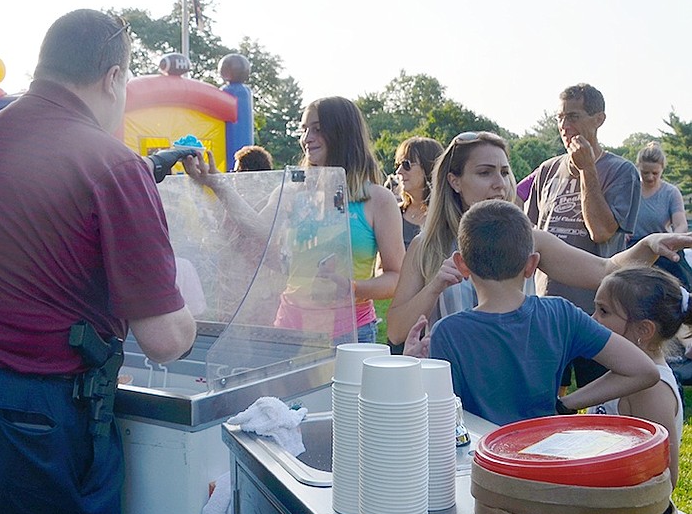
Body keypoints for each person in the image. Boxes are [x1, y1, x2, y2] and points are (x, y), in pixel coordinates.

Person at [0, 9, 196, 514]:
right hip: (30, 422)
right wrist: (192, 305)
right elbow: (165, 340)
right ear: (113, 78)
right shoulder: (114, 164)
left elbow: (43, 201)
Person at [387, 131, 692, 350]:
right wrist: (435, 286)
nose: (500, 183)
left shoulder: (531, 241)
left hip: (519, 377)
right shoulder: (426, 246)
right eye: (485, 172)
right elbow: (397, 331)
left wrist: (648, 245)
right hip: (450, 392)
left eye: (505, 172)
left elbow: (605, 269)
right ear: (454, 181)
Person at [186, 96, 404, 344]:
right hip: (290, 331)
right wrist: (218, 185)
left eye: (318, 129)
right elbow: (259, 229)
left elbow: (395, 278)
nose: (306, 138)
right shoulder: (292, 190)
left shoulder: (378, 200)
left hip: (350, 334)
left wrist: (351, 288)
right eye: (304, 130)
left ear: (343, 133)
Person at [429, 200, 658, 426]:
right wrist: (565, 404)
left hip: (483, 459)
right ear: (532, 265)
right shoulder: (561, 315)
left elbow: (440, 418)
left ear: (461, 263)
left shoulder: (447, 333)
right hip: (544, 455)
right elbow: (644, 370)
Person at [526, 84, 641, 387]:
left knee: (598, 406)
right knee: (548, 399)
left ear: (599, 119)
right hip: (548, 311)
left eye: (573, 117)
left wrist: (587, 170)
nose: (565, 126)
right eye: (560, 118)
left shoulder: (621, 172)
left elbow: (601, 231)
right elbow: (530, 235)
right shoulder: (547, 171)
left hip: (600, 314)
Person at [588, 267, 689, 488]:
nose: (592, 319)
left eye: (603, 312)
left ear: (644, 330)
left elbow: (664, 478)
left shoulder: (650, 390)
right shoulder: (623, 370)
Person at [630, 142, 690, 288]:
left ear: (662, 169)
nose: (650, 177)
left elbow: (681, 224)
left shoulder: (671, 193)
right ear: (638, 168)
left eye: (655, 173)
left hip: (663, 247)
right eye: (645, 173)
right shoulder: (630, 190)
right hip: (634, 247)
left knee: (679, 284)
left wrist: (674, 238)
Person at [393, 136, 444, 248]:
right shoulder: (394, 214)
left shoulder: (447, 217)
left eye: (406, 164)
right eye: (398, 165)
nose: (398, 171)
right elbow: (381, 265)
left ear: (429, 167)